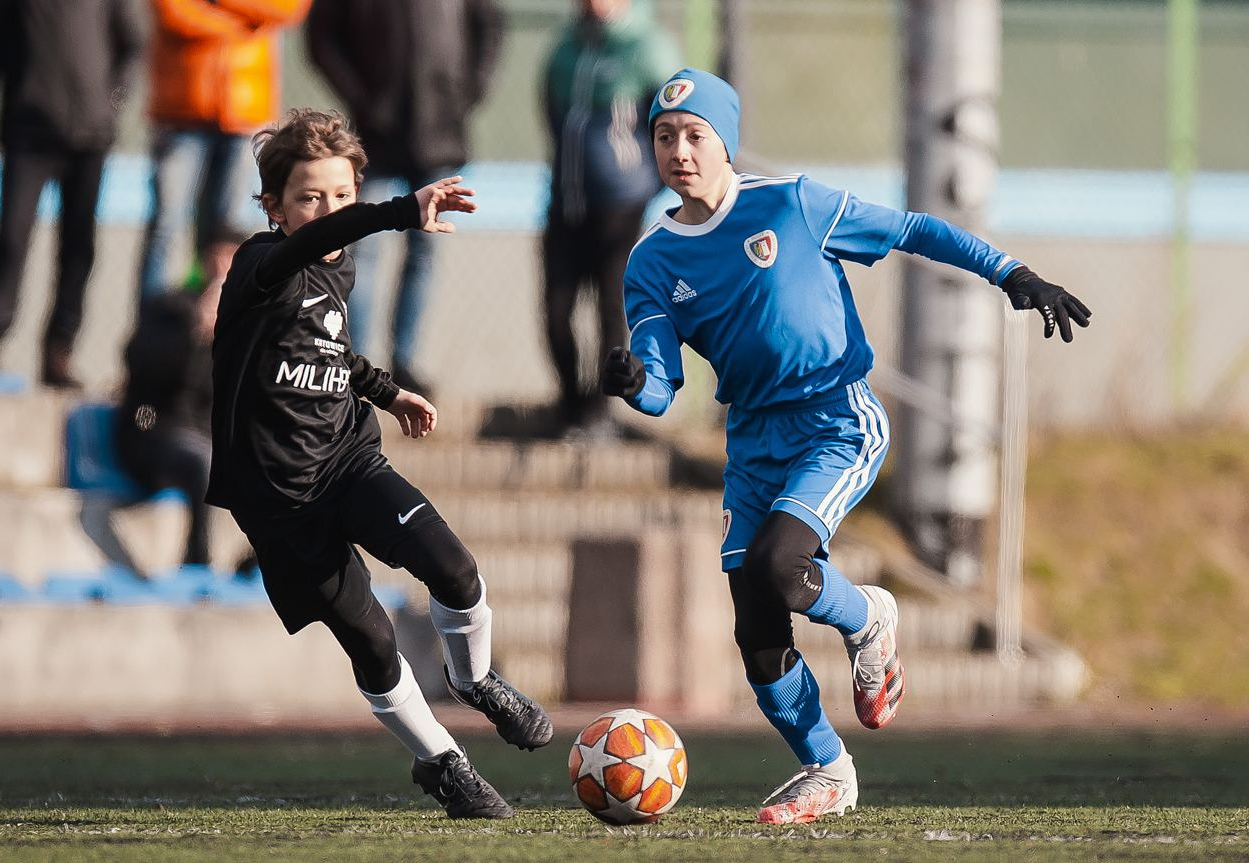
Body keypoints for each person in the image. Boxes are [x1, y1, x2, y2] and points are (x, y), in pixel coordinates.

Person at [601, 69, 1092, 824]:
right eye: (664, 137)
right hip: (753, 442)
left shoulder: (791, 203)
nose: (679, 150)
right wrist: (633, 382)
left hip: (836, 420)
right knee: (756, 627)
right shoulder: (652, 261)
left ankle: (867, 617)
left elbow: (912, 228)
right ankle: (828, 770)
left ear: (726, 143)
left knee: (779, 565)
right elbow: (661, 386)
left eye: (695, 134)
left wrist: (1011, 273)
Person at [206, 109, 553, 818]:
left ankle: (475, 680)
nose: (329, 211)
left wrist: (387, 392)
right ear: (274, 208)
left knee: (455, 570)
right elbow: (320, 242)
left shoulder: (339, 263)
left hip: (348, 461)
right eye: (310, 197)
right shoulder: (258, 265)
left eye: (342, 194)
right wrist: (397, 212)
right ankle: (444, 764)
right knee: (372, 639)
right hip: (280, 501)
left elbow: (327, 348)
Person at [306, 0, 504, 394]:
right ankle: (356, 364)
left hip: (439, 135)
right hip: (376, 138)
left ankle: (405, 362)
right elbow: (321, 40)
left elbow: (490, 27)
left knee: (424, 251)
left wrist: (465, 92)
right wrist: (363, 100)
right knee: (363, 251)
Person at [0, 0, 146, 386]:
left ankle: (58, 353)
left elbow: (133, 44)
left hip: (90, 137)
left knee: (78, 247)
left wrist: (111, 105)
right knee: (12, 238)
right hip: (26, 131)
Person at [539, 0, 679, 435]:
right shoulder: (568, 46)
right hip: (566, 200)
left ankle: (601, 412)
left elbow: (669, 119)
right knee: (556, 310)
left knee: (610, 310)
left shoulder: (648, 47)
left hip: (620, 205)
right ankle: (570, 406)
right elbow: (551, 107)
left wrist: (646, 180)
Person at [137, 0, 310, 303]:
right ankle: (154, 323)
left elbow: (287, 8)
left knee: (228, 232)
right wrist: (242, 25)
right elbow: (173, 12)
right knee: (167, 225)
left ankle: (217, 317)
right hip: (182, 109)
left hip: (245, 111)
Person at [108, 230, 245, 578]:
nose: (223, 270)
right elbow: (141, 370)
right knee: (204, 461)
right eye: (218, 257)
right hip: (151, 430)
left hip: (203, 434)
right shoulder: (168, 308)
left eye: (233, 261)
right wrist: (194, 333)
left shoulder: (244, 324)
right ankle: (197, 563)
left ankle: (256, 562)